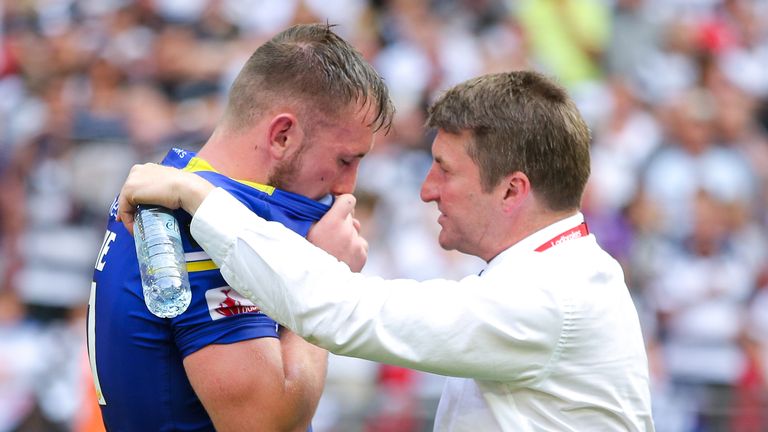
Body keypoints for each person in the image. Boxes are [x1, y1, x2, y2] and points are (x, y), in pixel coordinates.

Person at [117, 71, 655, 431]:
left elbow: (348, 314)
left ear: (513, 189)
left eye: (445, 169)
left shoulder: (553, 296)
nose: (427, 190)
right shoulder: (558, 275)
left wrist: (199, 195)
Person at [88, 23, 394, 431]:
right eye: (344, 160)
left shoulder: (175, 179)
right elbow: (269, 424)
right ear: (282, 136)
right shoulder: (204, 229)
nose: (347, 187)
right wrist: (324, 275)